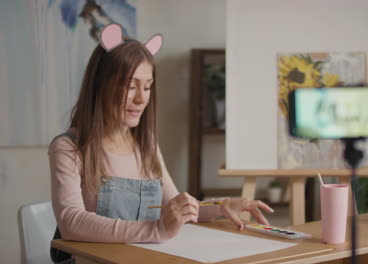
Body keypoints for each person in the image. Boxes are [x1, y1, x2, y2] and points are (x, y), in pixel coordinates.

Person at [49, 24, 273, 263]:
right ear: (101, 85)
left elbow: (174, 205)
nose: (141, 98)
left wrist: (220, 206)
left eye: (147, 86)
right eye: (131, 86)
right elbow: (71, 221)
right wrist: (156, 230)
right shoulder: (68, 147)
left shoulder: (146, 145)